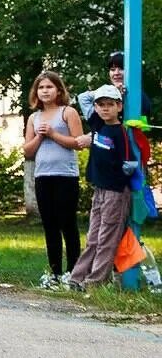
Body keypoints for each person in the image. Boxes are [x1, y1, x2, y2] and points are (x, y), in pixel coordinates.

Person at [67, 85, 136, 291]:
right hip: (99, 189)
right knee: (93, 236)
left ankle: (95, 282)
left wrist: (118, 177)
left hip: (115, 191)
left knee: (107, 237)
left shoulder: (120, 132)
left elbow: (129, 163)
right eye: (101, 105)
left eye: (110, 105)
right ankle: (77, 278)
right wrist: (112, 88)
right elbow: (83, 97)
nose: (105, 109)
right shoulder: (97, 123)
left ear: (119, 106)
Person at [23, 71, 84, 288]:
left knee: (67, 222)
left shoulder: (68, 112)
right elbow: (27, 151)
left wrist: (53, 134)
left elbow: (78, 142)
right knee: (49, 224)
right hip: (43, 175)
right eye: (41, 88)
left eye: (49, 87)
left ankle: (74, 271)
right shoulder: (34, 117)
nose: (45, 91)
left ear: (59, 90)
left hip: (65, 175)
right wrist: (40, 135)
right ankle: (55, 271)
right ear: (36, 92)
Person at [79, 51, 153, 123]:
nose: (116, 73)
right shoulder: (103, 93)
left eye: (121, 69)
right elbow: (82, 98)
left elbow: (145, 113)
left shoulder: (140, 96)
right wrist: (108, 91)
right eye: (112, 70)